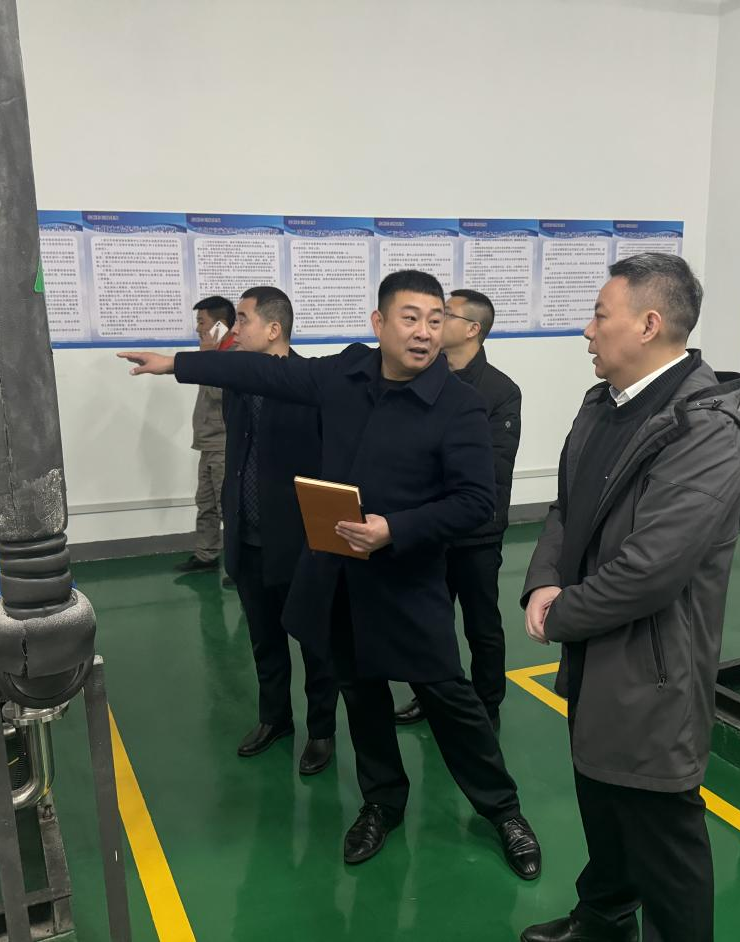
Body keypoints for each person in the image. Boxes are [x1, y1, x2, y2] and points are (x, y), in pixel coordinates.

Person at [119, 270, 541, 881]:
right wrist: (177, 364)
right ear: (379, 323)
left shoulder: (459, 405)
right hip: (341, 575)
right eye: (410, 318)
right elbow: (266, 374)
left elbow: (476, 501)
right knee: (361, 696)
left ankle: (503, 810)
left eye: (434, 320)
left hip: (408, 579)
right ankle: (382, 802)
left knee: (450, 699)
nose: (424, 332)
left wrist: (395, 528)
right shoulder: (346, 374)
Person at [518, 253, 740, 942]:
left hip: (653, 670)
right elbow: (566, 508)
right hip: (596, 651)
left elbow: (651, 571)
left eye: (599, 315)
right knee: (602, 799)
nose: (587, 331)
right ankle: (604, 918)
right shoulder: (604, 406)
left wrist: (559, 614)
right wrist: (542, 580)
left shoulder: (705, 432)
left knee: (660, 828)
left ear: (648, 325)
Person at [221, 286, 338, 774]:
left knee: (314, 641)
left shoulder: (312, 386)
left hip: (299, 541)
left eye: (242, 319)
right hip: (248, 538)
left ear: (273, 329)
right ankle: (275, 718)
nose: (234, 329)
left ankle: (322, 729)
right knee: (264, 639)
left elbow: (331, 467)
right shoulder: (236, 385)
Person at [395, 288, 521, 731]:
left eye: (444, 314)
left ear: (472, 329)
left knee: (481, 625)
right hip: (429, 528)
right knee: (429, 622)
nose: (433, 323)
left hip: (475, 532)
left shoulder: (500, 391)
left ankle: (487, 706)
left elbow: (493, 466)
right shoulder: (421, 377)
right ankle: (431, 696)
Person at [178, 295, 236, 575]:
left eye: (202, 322)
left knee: (228, 508)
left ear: (219, 325)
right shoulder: (215, 353)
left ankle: (238, 565)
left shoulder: (234, 355)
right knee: (206, 503)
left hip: (223, 444)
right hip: (207, 442)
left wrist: (207, 358)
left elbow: (220, 395)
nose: (198, 328)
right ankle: (206, 555)